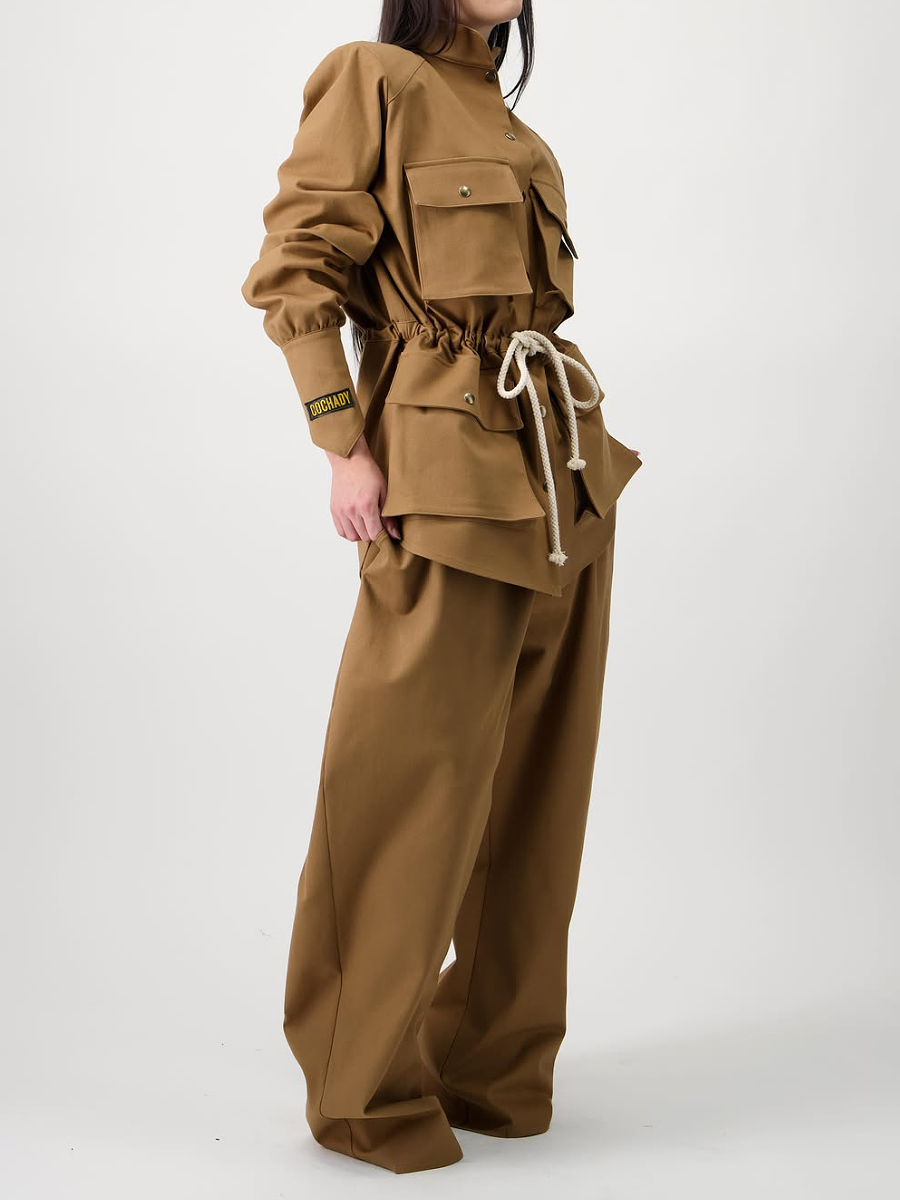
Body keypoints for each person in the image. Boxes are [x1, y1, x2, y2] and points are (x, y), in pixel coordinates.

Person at [241, 0, 643, 1175]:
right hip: (446, 486)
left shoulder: (514, 127)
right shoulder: (372, 77)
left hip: (563, 476)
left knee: (537, 799)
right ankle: (361, 1085)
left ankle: (495, 1072)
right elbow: (295, 270)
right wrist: (339, 443)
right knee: (406, 792)